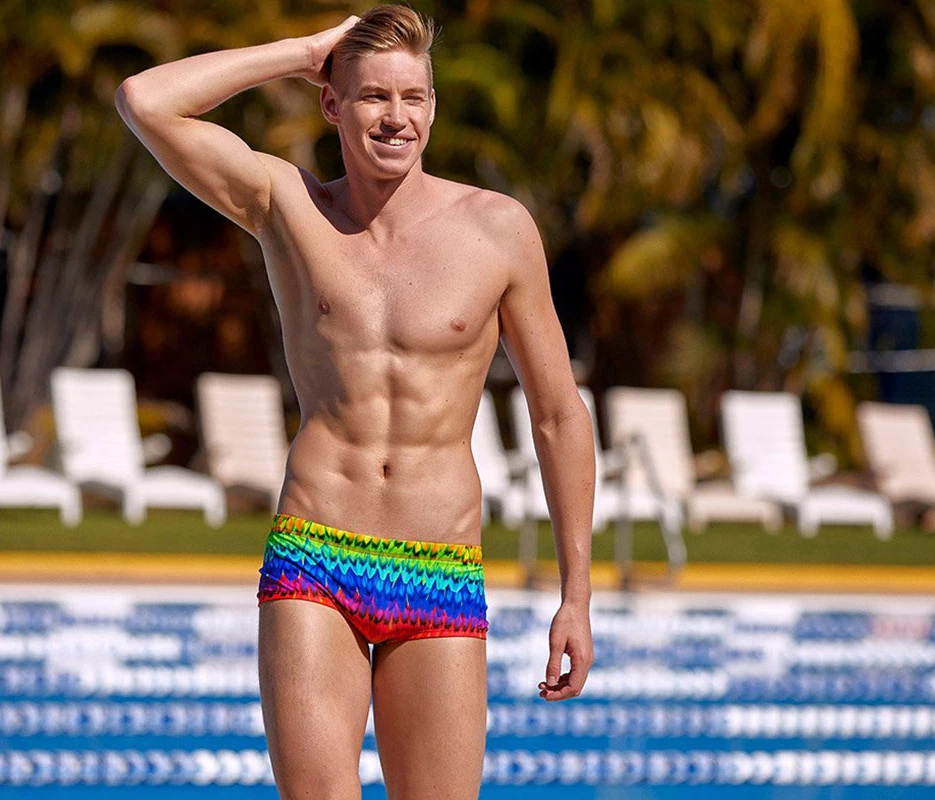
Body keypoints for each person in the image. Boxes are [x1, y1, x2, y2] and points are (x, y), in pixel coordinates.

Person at [116, 5, 595, 798]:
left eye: (414, 97)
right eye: (373, 96)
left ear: (434, 107)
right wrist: (303, 49)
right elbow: (145, 99)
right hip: (317, 555)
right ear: (332, 104)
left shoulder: (497, 230)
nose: (396, 117)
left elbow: (558, 414)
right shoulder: (287, 205)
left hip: (438, 566)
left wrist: (576, 596)